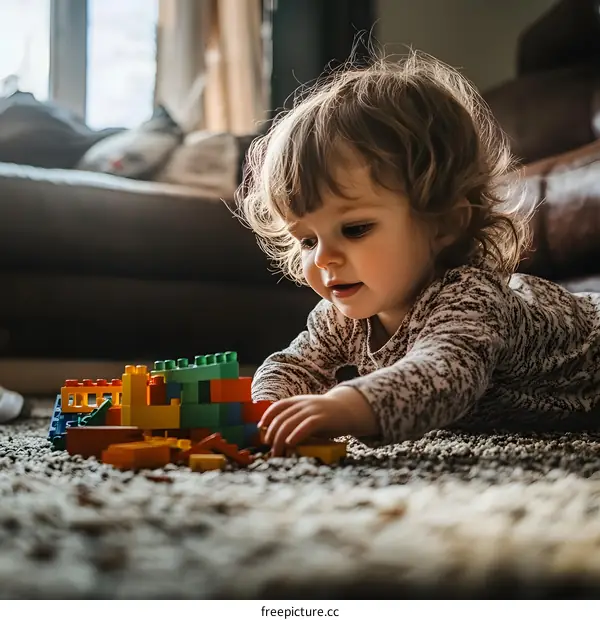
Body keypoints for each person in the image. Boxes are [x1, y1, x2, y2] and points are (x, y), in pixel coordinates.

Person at [233, 50, 600, 457]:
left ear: (443, 224)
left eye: (354, 229)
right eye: (307, 240)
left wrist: (347, 405)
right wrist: (270, 408)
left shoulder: (470, 298)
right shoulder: (342, 318)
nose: (323, 258)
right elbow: (294, 365)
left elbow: (442, 377)